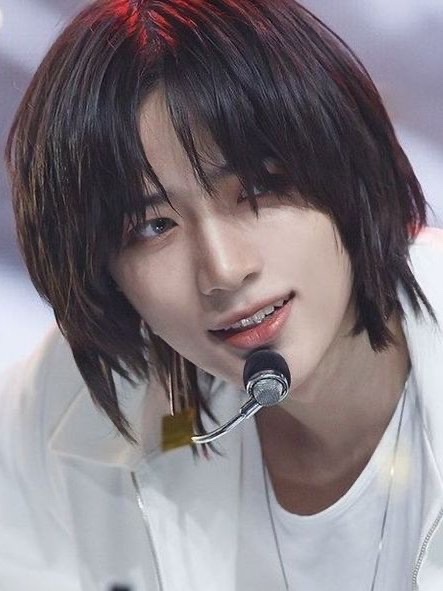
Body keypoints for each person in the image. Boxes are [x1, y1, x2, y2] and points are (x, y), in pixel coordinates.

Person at [1, 0, 443, 589]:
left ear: (347, 158)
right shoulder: (66, 404)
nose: (225, 271)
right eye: (152, 227)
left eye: (257, 189)